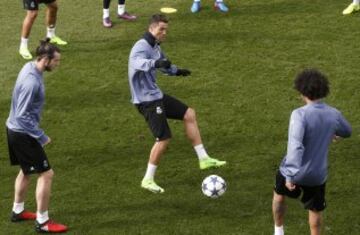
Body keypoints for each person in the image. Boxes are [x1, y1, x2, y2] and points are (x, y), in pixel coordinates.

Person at [128, 14, 226, 194]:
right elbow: (138, 63)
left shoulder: (155, 45)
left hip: (156, 95)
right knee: (163, 139)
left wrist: (176, 71)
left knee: (189, 114)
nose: (164, 33)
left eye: (166, 30)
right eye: (161, 29)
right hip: (146, 101)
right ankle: (147, 179)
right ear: (152, 28)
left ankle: (203, 158)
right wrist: (155, 62)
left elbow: (164, 64)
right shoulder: (140, 46)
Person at [272, 69, 352, 235]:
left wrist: (289, 175)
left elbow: (295, 146)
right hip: (317, 175)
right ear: (324, 90)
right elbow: (347, 131)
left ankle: (278, 230)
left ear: (302, 92)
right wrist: (331, 132)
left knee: (279, 195)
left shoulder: (299, 114)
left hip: (294, 171)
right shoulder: (334, 114)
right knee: (315, 210)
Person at [6, 39, 68, 233]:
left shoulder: (30, 67)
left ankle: (18, 211)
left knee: (26, 170)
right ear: (46, 59)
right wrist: (40, 136)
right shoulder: (31, 82)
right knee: (46, 174)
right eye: (56, 61)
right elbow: (21, 115)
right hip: (22, 133)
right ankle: (42, 222)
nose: (57, 64)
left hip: (15, 130)